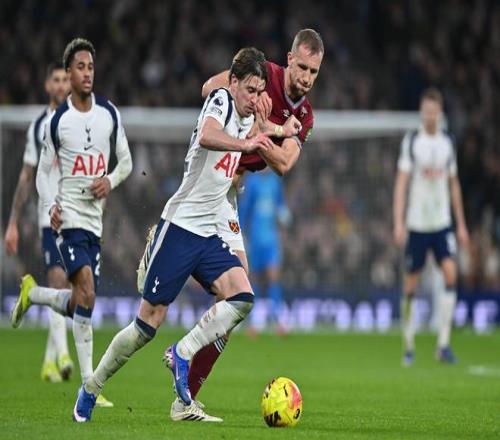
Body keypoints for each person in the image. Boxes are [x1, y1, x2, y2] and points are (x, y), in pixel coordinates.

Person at [72, 47, 273, 423]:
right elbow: (209, 135)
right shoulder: (220, 101)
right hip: (180, 227)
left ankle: (183, 353)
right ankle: (91, 388)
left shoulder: (247, 116)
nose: (254, 98)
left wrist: (276, 130)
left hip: (208, 233)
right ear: (233, 82)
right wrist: (248, 143)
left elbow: (253, 142)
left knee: (242, 297)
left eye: (260, 91)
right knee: (146, 325)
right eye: (249, 89)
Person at [169, 28, 324, 422]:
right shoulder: (261, 73)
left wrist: (263, 132)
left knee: (238, 300)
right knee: (231, 295)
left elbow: (284, 164)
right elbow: (208, 87)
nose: (306, 77)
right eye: (302, 67)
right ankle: (181, 353)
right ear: (289, 60)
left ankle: (186, 392)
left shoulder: (305, 116)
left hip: (230, 195)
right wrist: (254, 121)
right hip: (209, 180)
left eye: (314, 72)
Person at [10, 38, 133, 407]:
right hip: (68, 219)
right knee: (88, 291)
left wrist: (110, 180)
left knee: (82, 300)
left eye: (90, 67)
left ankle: (34, 295)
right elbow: (41, 174)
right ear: (68, 72)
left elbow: (126, 162)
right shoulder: (57, 121)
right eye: (80, 67)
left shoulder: (109, 113)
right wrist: (51, 206)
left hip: (95, 222)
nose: (86, 73)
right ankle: (88, 387)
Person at [4, 62, 74, 383]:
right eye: (55, 80)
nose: (60, 85)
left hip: (78, 217)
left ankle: (48, 361)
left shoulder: (79, 122)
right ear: (47, 85)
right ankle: (63, 357)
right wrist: (13, 222)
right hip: (49, 217)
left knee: (71, 290)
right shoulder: (39, 126)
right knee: (58, 282)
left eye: (65, 80)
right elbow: (26, 175)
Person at [393, 87, 469, 366]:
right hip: (417, 223)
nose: (429, 116)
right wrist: (399, 221)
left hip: (442, 222)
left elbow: (453, 184)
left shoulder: (448, 142)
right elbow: (402, 183)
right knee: (411, 283)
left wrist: (461, 224)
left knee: (450, 274)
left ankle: (443, 345)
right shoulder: (413, 141)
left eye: (433, 112)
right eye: (425, 111)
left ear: (440, 113)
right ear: (421, 112)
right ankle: (409, 345)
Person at [238, 168, 292, 334]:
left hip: (271, 240)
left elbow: (280, 204)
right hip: (255, 239)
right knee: (254, 279)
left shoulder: (275, 182)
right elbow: (244, 210)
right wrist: (241, 234)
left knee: (273, 277)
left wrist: (285, 216)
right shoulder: (252, 182)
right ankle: (253, 322)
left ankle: (279, 321)